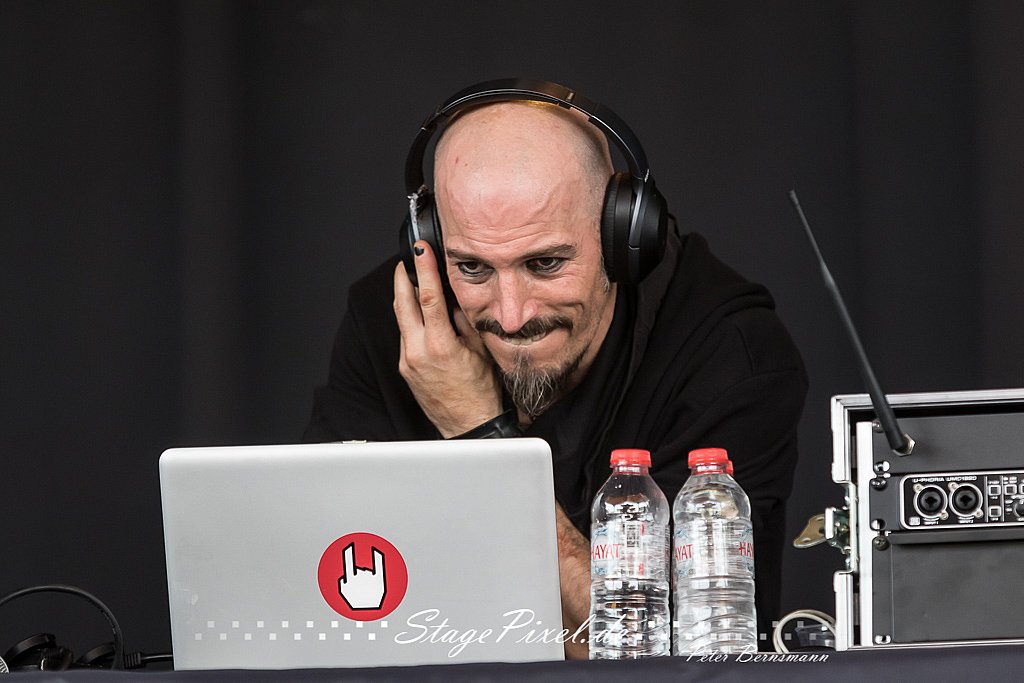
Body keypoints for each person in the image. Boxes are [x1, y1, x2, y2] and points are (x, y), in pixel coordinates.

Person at [304, 81, 807, 658]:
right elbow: (321, 602)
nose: (511, 315)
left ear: (623, 237)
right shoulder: (392, 321)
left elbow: (654, 660)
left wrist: (481, 436)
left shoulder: (731, 355)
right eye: (473, 268)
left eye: (544, 263)